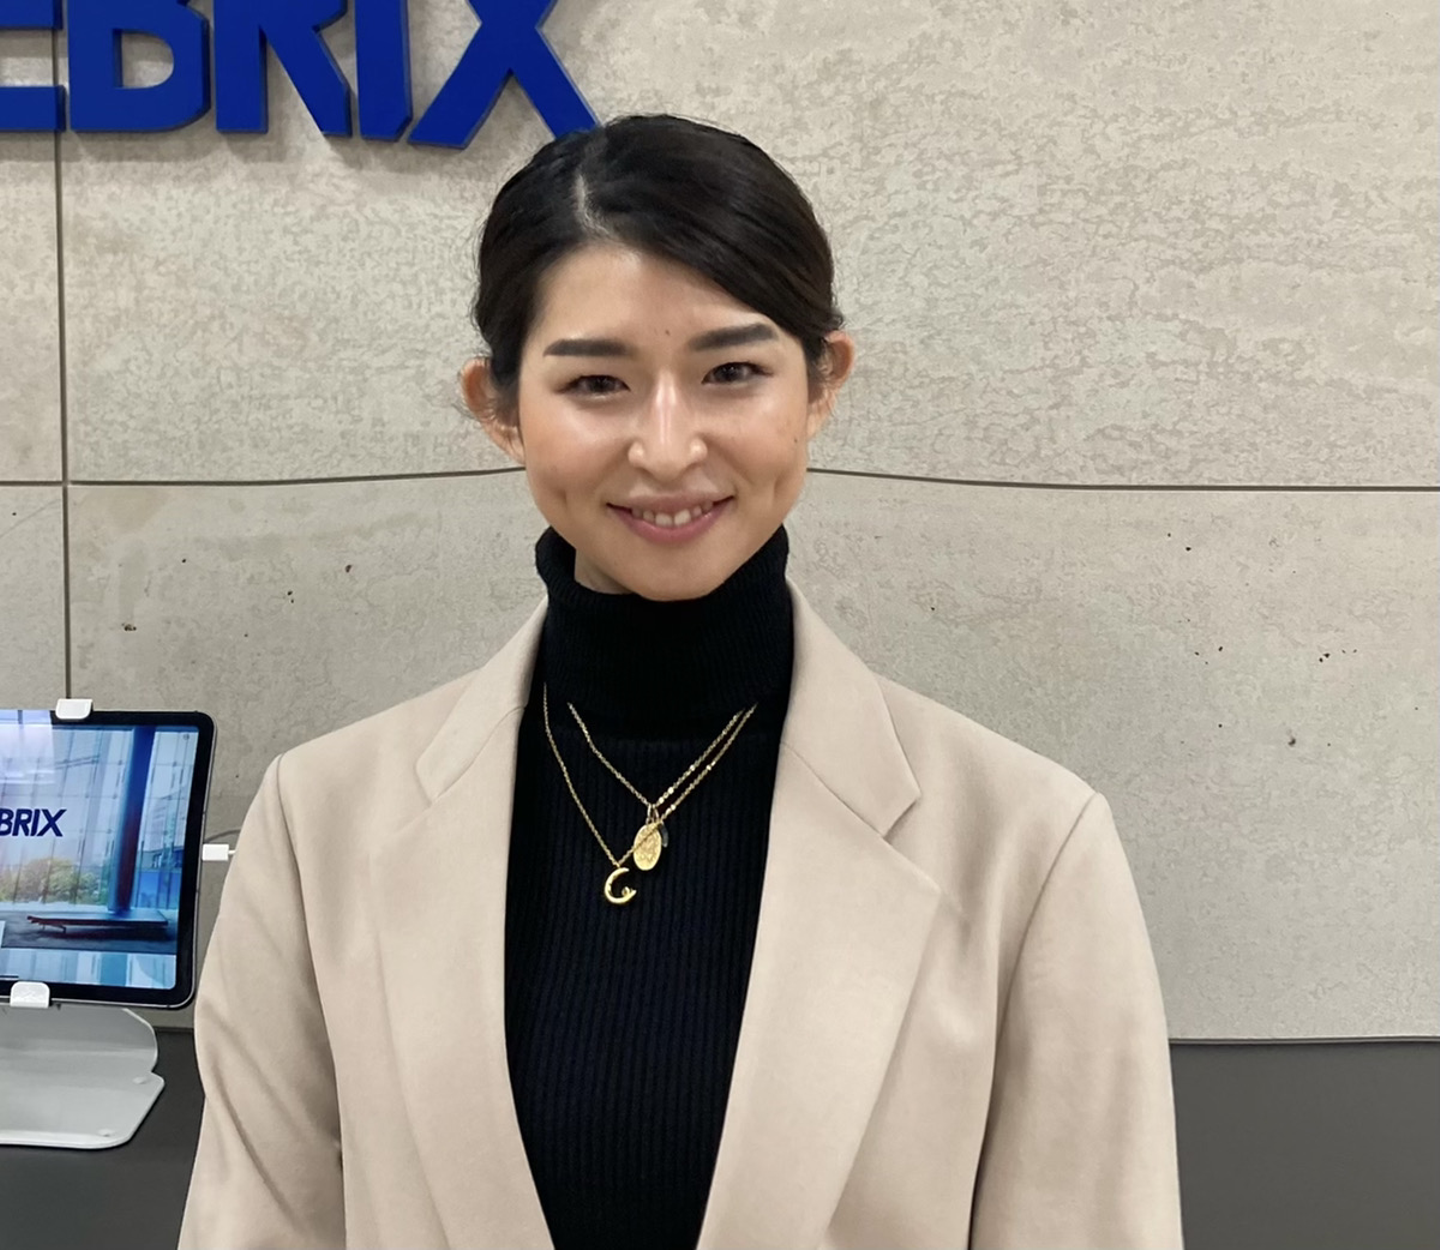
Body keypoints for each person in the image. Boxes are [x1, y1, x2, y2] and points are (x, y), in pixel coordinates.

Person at [178, 114, 1184, 1249]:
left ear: (822, 384)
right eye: (597, 382)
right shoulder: (319, 821)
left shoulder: (1028, 845)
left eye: (732, 373)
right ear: (499, 409)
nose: (666, 448)